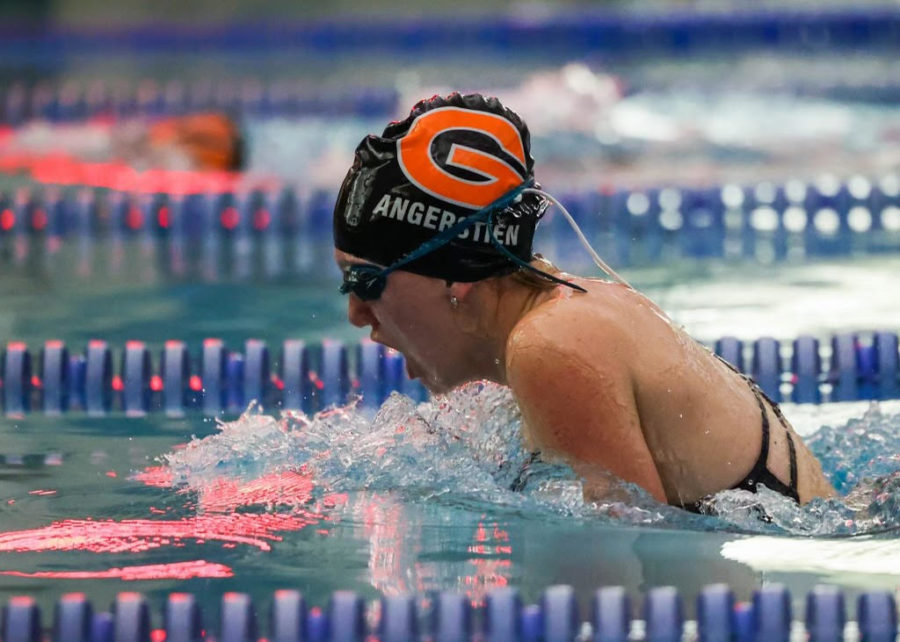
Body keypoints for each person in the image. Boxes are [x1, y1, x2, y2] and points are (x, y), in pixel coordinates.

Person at [332, 92, 835, 511]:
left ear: (452, 277)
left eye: (366, 282)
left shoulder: (551, 346)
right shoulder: (573, 309)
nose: (356, 313)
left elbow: (620, 570)